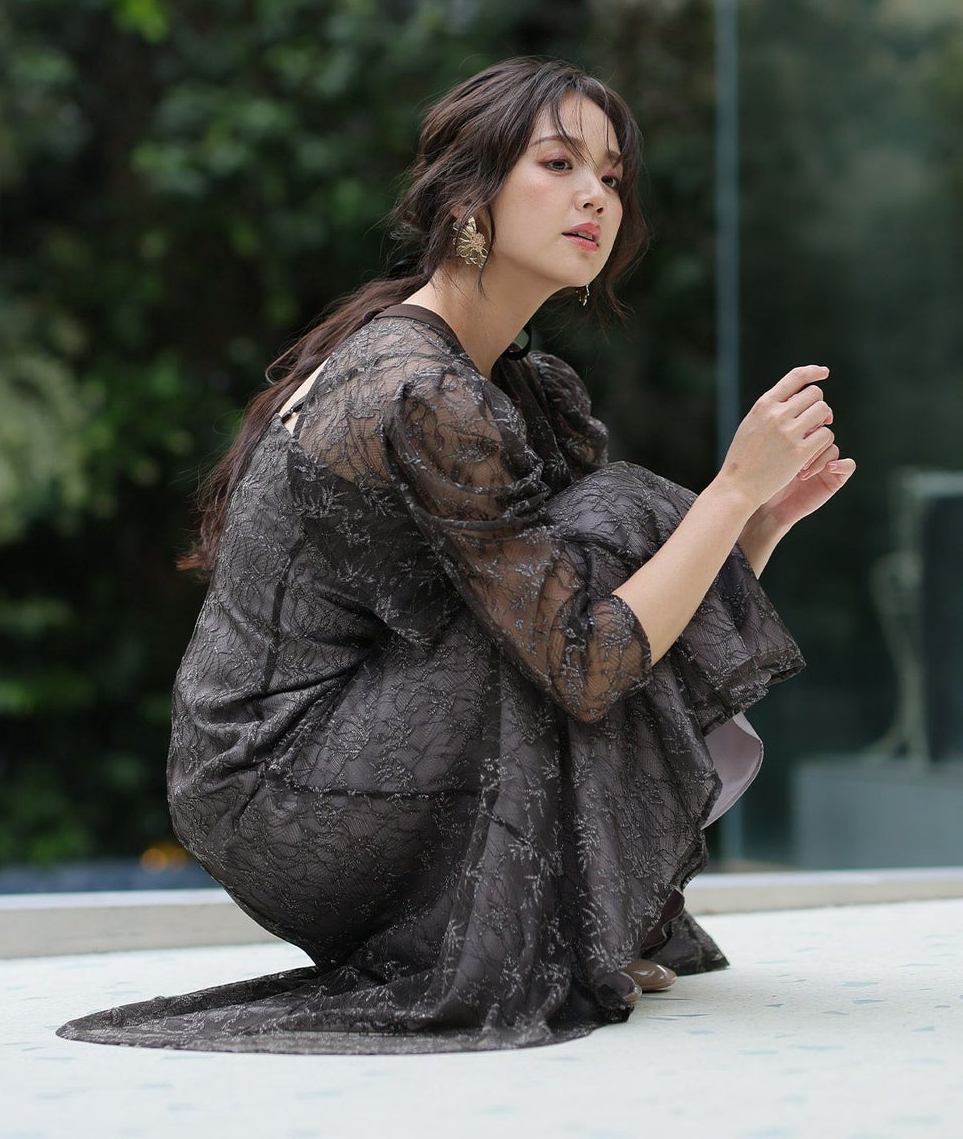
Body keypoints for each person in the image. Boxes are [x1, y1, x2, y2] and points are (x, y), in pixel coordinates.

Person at [56, 56, 855, 1055]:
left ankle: (568, 927)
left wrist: (753, 528)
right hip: (279, 787)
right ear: (470, 195)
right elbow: (585, 660)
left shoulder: (515, 386)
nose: (595, 197)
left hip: (366, 745)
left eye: (611, 176)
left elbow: (608, 634)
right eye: (559, 164)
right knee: (618, 518)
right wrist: (727, 493)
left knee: (606, 536)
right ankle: (541, 933)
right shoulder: (419, 388)